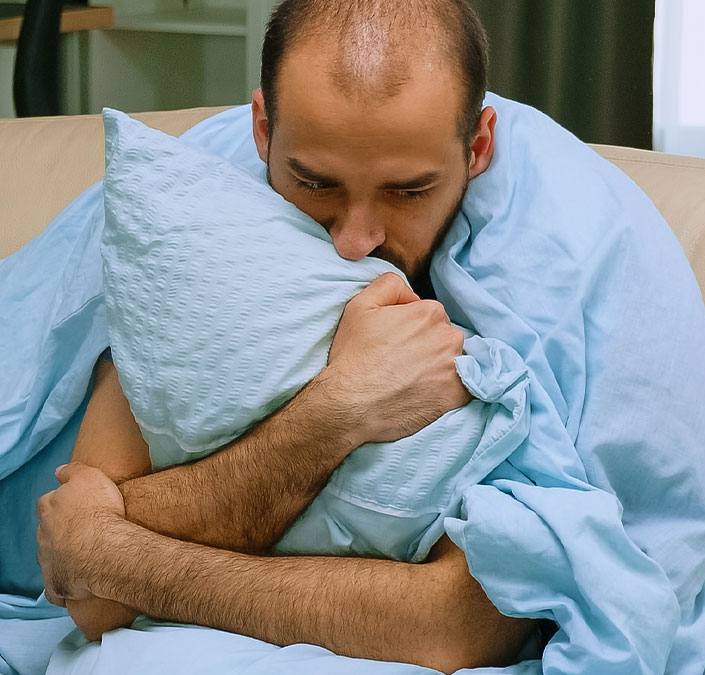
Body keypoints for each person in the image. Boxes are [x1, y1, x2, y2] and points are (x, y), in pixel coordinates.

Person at [36, 0, 540, 671]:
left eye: (409, 190)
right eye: (315, 182)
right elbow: (93, 602)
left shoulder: (536, 282)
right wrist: (337, 412)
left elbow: (460, 621)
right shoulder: (199, 253)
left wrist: (118, 552)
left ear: (477, 146)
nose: (357, 242)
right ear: (264, 130)